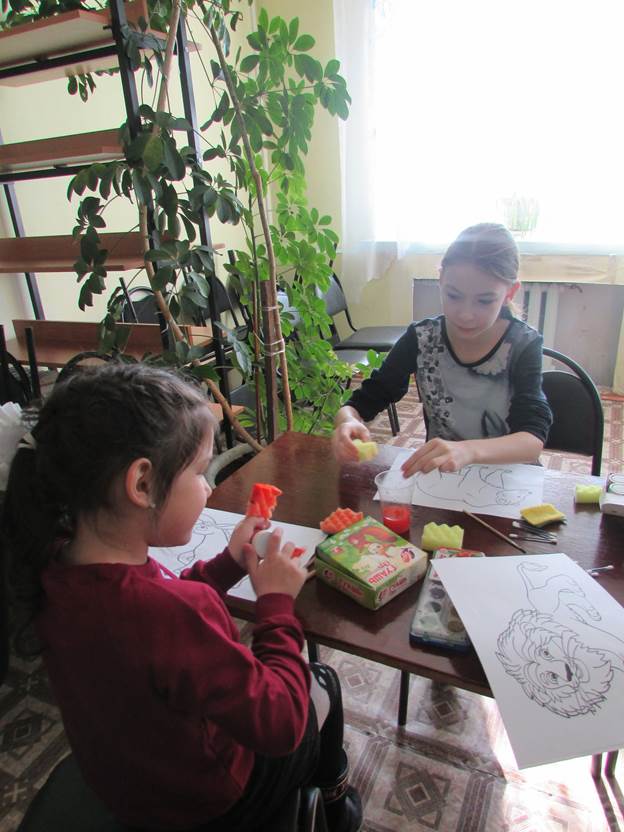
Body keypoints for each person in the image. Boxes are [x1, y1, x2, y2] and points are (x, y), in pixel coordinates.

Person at [2, 363, 362, 832]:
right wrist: (275, 605)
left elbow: (163, 620)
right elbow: (280, 724)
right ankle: (337, 805)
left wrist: (229, 562)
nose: (208, 486)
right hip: (207, 800)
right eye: (198, 471)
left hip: (128, 784)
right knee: (321, 681)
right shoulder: (173, 612)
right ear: (142, 484)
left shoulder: (55, 569)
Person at [333, 223, 552, 475]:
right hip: (444, 477)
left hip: (510, 478)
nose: (466, 314)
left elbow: (532, 440)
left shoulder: (523, 344)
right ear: (441, 280)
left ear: (510, 293)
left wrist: (469, 451)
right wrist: (347, 420)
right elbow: (365, 400)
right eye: (453, 295)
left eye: (484, 301)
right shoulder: (422, 338)